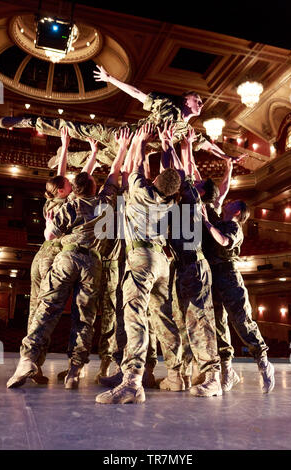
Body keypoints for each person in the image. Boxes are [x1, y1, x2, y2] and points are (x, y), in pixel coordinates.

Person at [6, 129, 130, 390]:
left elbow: (50, 233)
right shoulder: (103, 202)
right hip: (92, 263)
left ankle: (28, 359)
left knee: (47, 308)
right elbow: (114, 174)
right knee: (84, 318)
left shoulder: (70, 205)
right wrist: (122, 147)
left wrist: (52, 227)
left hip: (66, 257)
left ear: (75, 189)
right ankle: (75, 370)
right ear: (94, 188)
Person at [0, 65, 246, 169]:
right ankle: (27, 121)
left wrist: (227, 157)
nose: (201, 103)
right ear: (185, 100)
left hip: (129, 152)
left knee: (93, 161)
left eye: (202, 102)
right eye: (197, 99)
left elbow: (207, 145)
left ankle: (63, 158)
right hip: (120, 135)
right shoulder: (167, 106)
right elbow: (138, 94)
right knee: (75, 128)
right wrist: (109, 79)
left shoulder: (187, 132)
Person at [95, 123, 184, 404]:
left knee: (134, 315)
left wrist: (136, 142)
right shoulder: (169, 201)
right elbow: (142, 173)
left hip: (142, 258)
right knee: (164, 318)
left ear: (156, 181)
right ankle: (175, 375)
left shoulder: (142, 191)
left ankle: (132, 381)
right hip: (162, 262)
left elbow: (130, 168)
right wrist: (149, 150)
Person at [156, 123, 222, 397]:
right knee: (182, 320)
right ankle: (184, 373)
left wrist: (169, 144)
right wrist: (174, 145)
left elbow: (177, 169)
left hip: (193, 265)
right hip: (182, 267)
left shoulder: (191, 196)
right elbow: (173, 171)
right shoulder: (175, 199)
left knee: (199, 320)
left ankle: (212, 376)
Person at [201, 200, 275, 393]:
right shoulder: (217, 220)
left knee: (241, 321)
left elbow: (224, 242)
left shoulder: (235, 227)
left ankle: (263, 361)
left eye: (233, 202)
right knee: (218, 324)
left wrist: (207, 223)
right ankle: (227, 370)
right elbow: (216, 194)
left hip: (229, 276)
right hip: (212, 277)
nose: (228, 202)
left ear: (238, 211)